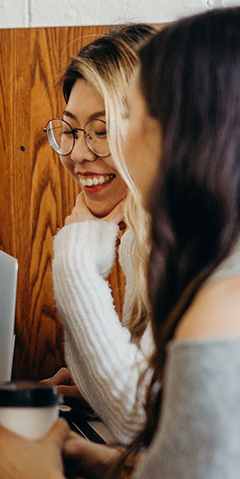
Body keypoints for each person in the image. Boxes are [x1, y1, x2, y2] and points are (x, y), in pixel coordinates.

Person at [0, 6, 240, 479]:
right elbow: (211, 472)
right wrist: (102, 463)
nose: (92, 148)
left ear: (192, 130)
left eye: (132, 115)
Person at [47, 24, 156, 443]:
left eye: (102, 129)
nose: (77, 153)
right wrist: (93, 387)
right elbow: (149, 402)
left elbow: (138, 421)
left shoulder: (193, 242)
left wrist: (75, 258)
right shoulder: (139, 239)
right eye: (72, 130)